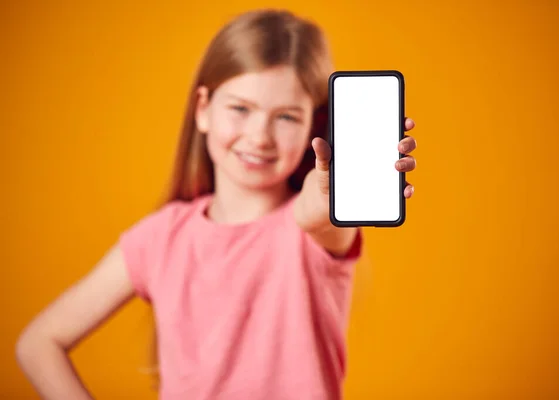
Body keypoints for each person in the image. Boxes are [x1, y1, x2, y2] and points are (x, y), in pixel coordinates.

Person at [15, 8, 417, 400]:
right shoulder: (159, 238)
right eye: (241, 108)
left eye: (287, 117)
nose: (260, 136)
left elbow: (318, 214)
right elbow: (38, 343)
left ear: (314, 124)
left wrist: (333, 188)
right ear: (203, 109)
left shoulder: (312, 225)